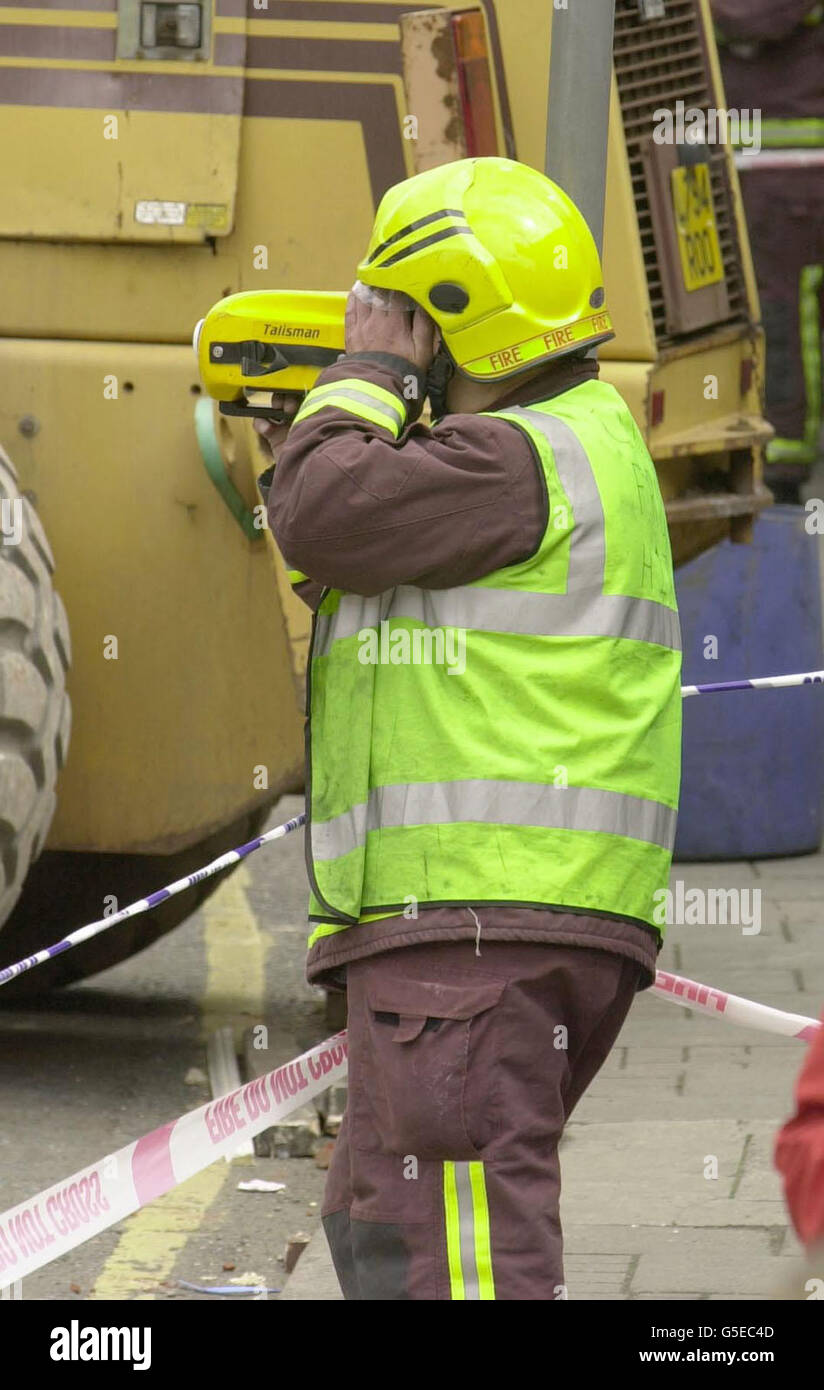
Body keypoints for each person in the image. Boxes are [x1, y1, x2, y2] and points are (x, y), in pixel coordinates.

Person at [256, 157, 682, 1301]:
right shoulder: (565, 443)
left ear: (441, 321)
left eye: (391, 309)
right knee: (385, 1226)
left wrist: (361, 377)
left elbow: (321, 515)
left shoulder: (512, 460)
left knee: (455, 1254)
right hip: (510, 929)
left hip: (474, 935)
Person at [712, 1, 824, 500]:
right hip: (774, 169)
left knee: (784, 315)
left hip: (787, 172)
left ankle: (784, 461)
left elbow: (751, 15)